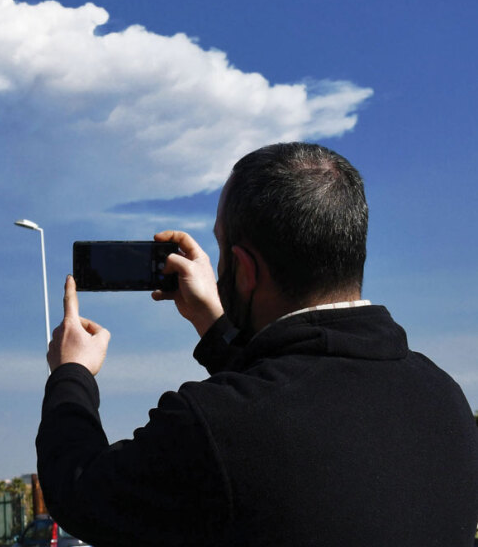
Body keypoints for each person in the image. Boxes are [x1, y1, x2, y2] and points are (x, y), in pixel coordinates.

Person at [36, 142, 478, 546]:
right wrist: (215, 326)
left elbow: (81, 491)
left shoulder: (210, 426)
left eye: (223, 251)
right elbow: (297, 392)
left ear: (245, 270)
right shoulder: (445, 397)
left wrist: (71, 374)